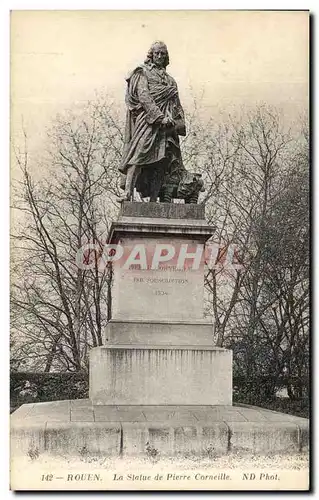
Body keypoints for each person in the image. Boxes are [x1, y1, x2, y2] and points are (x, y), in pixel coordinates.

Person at [119, 41, 186, 202]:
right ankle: (127, 193)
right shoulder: (142, 73)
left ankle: (154, 199)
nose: (160, 56)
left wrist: (180, 122)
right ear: (151, 54)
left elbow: (177, 105)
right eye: (157, 53)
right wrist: (159, 117)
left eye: (163, 53)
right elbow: (144, 97)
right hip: (149, 121)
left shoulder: (171, 81)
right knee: (138, 155)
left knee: (162, 162)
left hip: (168, 126)